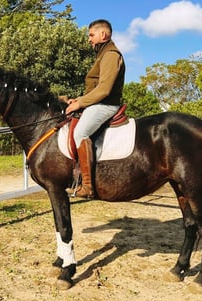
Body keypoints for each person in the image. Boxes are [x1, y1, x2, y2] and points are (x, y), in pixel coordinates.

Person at [65, 19, 126, 199]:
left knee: (80, 133)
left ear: (103, 35)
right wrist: (80, 99)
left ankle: (88, 187)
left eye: (91, 35)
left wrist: (79, 103)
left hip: (106, 105)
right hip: (97, 103)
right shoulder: (102, 54)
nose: (89, 39)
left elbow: (104, 89)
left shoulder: (111, 54)